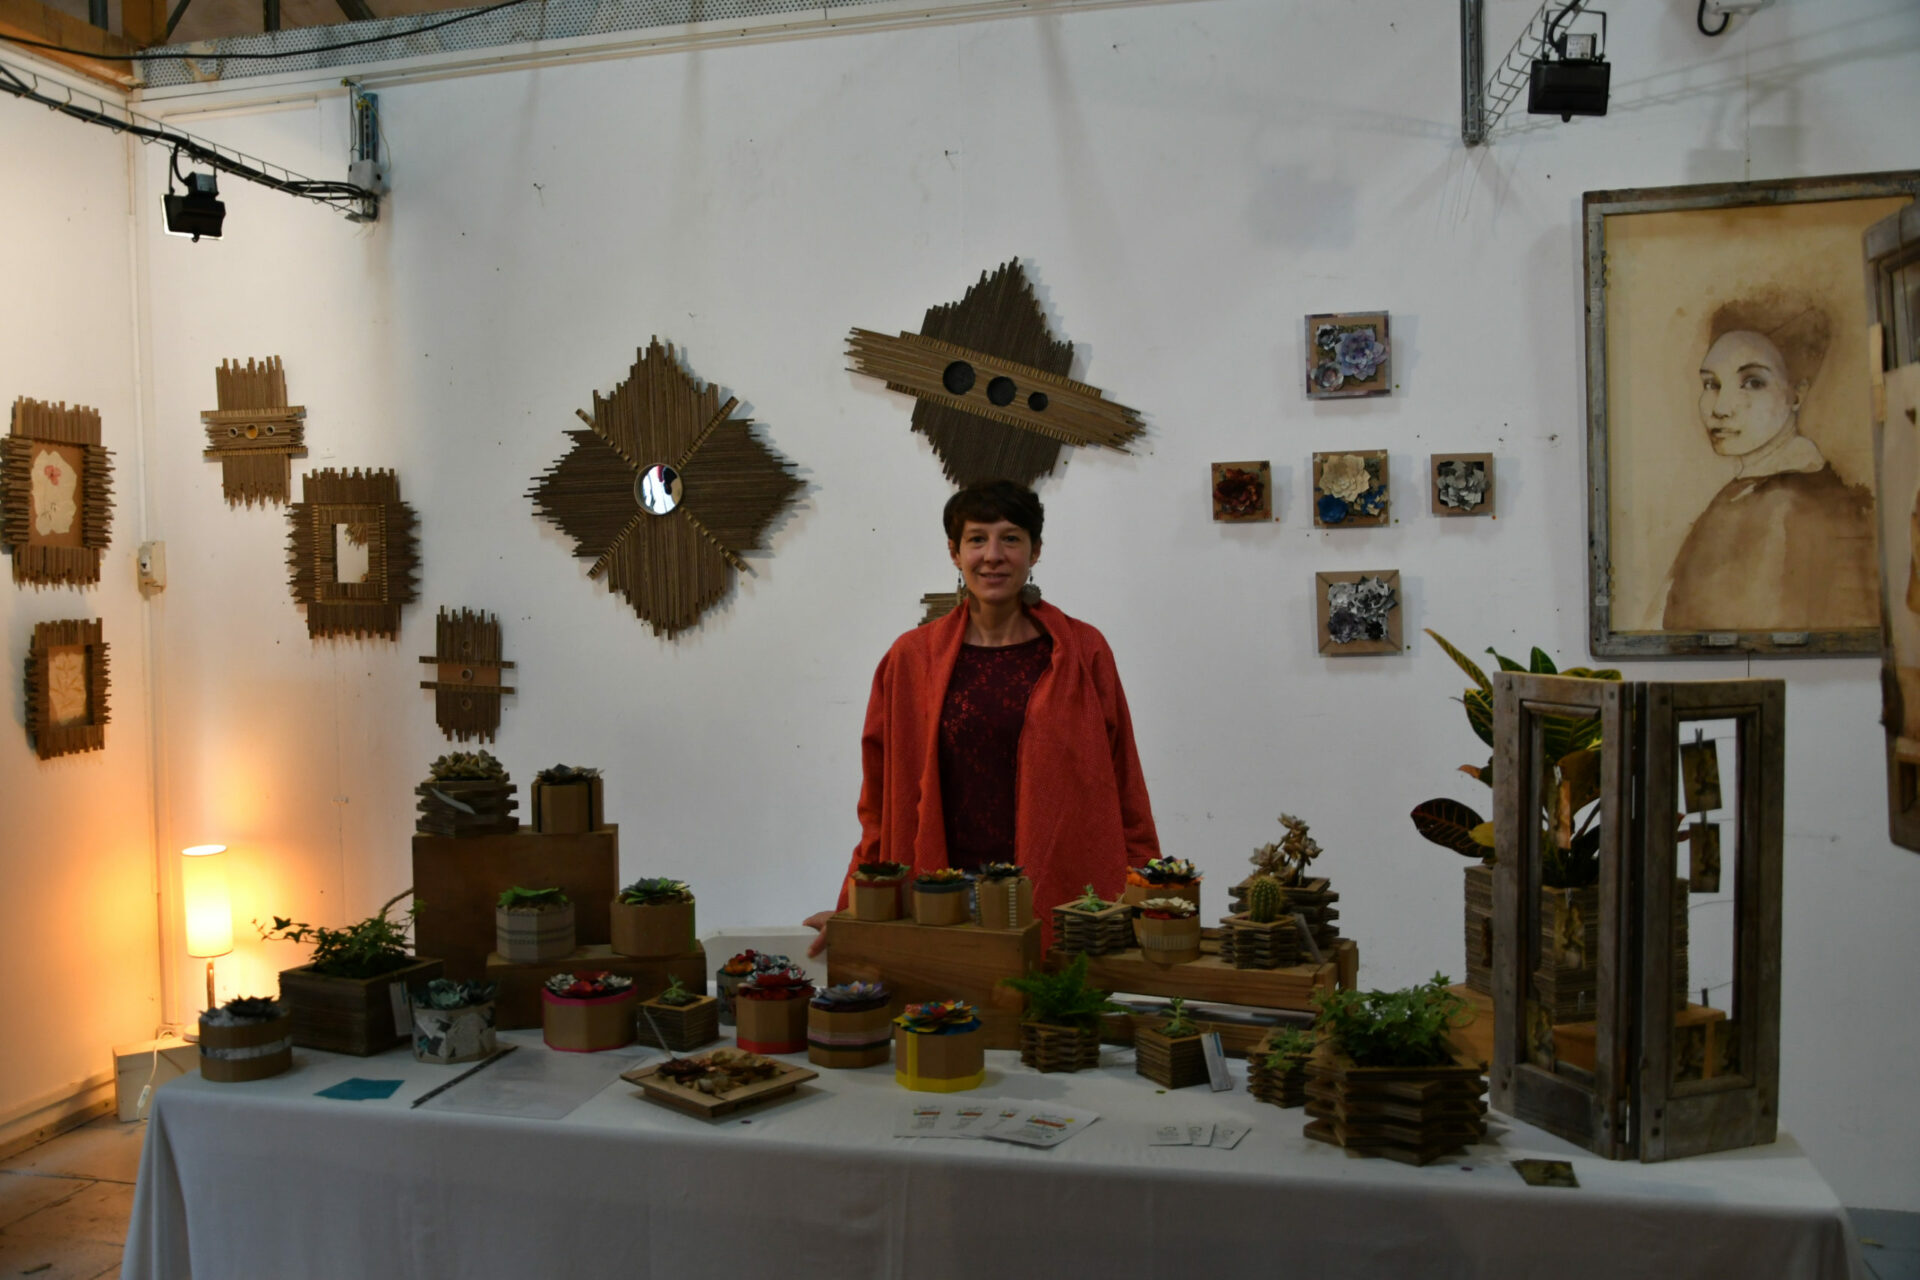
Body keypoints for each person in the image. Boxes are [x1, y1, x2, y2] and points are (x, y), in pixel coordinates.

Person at [803, 480, 1160, 956]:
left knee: (1054, 1004)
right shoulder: (911, 659)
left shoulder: (1082, 650)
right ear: (955, 553)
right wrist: (854, 902)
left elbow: (1124, 781)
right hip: (943, 897)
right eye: (977, 539)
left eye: (1010, 538)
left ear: (1035, 551)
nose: (993, 555)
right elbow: (879, 801)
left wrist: (1150, 889)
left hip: (1060, 894)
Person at [1661, 297, 1876, 633]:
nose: (1720, 408)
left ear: (1796, 394)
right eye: (1711, 384)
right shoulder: (1745, 492)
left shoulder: (1790, 506)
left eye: (1752, 383)